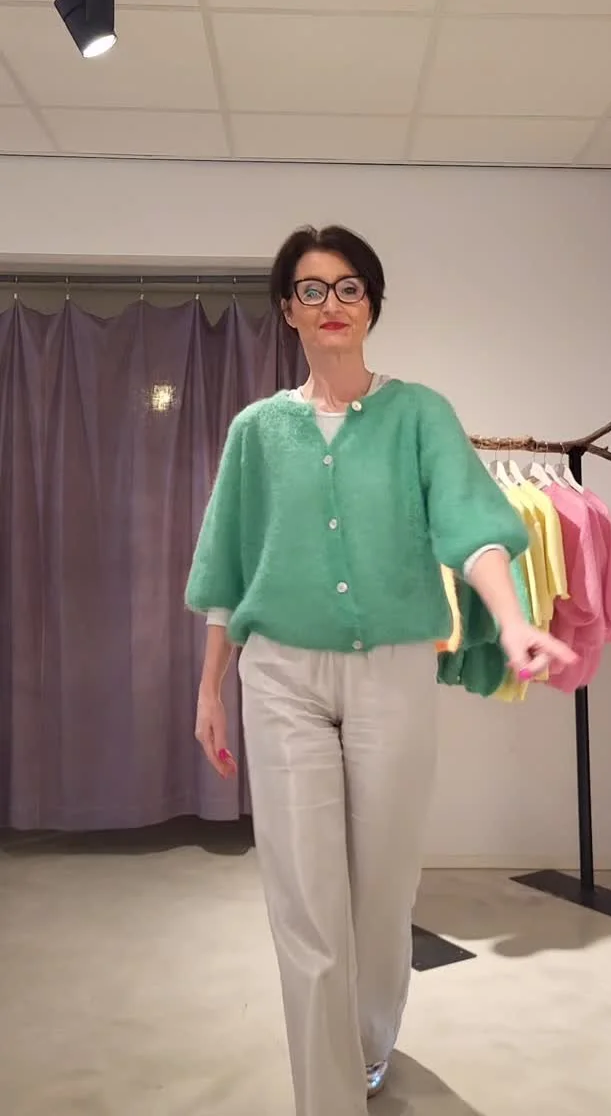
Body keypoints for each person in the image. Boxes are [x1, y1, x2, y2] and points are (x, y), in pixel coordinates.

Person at [186, 225, 576, 1116]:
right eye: (312, 289)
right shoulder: (257, 432)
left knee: (382, 891)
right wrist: (210, 687)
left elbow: (472, 528)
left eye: (350, 287)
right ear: (288, 309)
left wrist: (514, 619)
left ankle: (368, 1042)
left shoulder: (420, 415)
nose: (332, 304)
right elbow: (227, 568)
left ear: (372, 305)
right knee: (306, 903)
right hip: (280, 677)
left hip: (391, 674)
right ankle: (325, 1097)